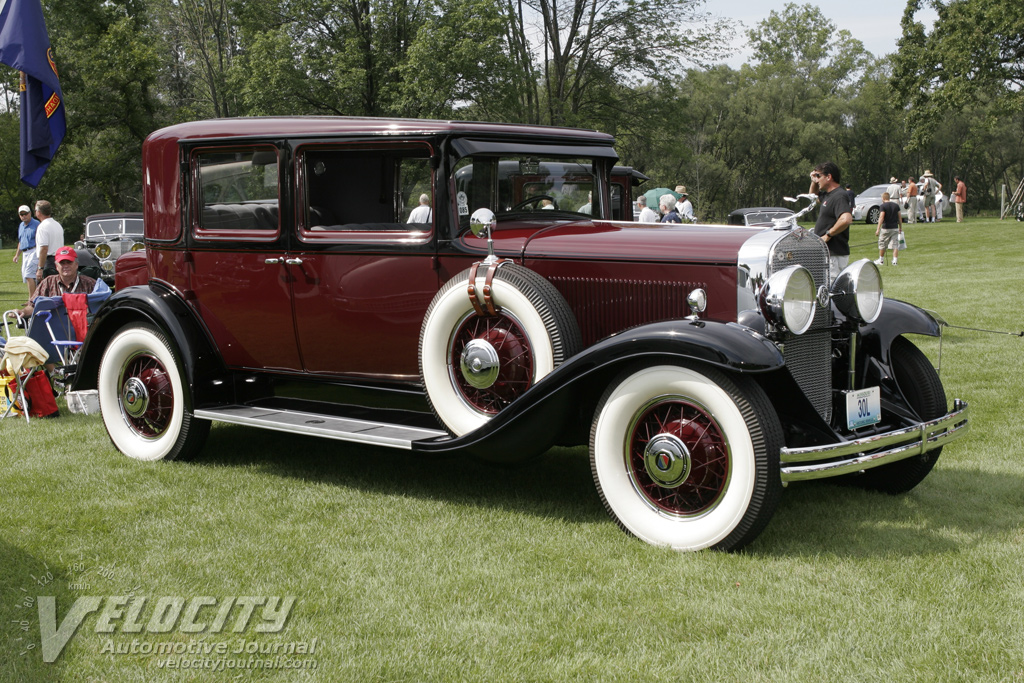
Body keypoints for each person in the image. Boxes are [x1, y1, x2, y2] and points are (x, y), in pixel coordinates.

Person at [809, 161, 853, 280]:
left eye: (818, 176)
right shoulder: (828, 195)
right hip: (828, 254)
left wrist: (828, 234)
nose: (817, 180)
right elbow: (812, 196)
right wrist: (813, 181)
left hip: (834, 255)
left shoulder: (839, 196)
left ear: (829, 177)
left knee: (830, 292)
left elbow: (846, 219)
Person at [12, 205, 40, 298]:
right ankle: (35, 297)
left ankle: (31, 299)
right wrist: (17, 255)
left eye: (25, 214)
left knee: (29, 274)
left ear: (30, 213)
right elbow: (21, 241)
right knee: (26, 275)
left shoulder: (36, 224)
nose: (24, 216)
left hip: (34, 250)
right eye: (21, 214)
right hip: (25, 252)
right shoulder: (21, 225)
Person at [33, 200, 64, 280]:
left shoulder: (42, 227)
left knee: (44, 289)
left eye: (36, 210)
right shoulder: (57, 224)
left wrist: (40, 268)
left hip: (48, 262)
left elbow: (44, 249)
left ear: (39, 212)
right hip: (59, 260)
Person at [874, 192, 903, 266]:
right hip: (895, 227)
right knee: (895, 244)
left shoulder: (883, 206)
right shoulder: (896, 206)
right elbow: (899, 217)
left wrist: (878, 229)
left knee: (882, 243)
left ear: (883, 198)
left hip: (886, 228)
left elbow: (881, 217)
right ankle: (895, 261)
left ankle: (881, 260)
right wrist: (900, 227)